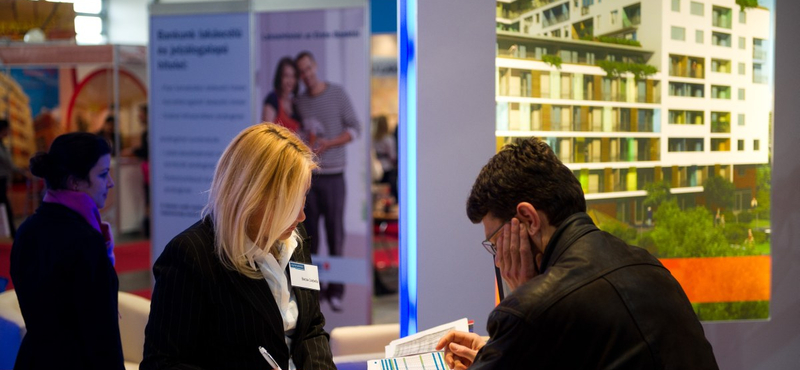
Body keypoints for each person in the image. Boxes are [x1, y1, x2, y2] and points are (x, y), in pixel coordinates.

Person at [436, 137, 719, 370]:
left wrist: (525, 300)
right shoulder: (650, 267)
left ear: (528, 219)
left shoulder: (532, 308)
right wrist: (499, 351)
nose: (498, 259)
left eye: (496, 242)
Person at [142, 124, 336, 370]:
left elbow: (311, 328)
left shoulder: (294, 239)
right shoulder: (191, 255)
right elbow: (161, 364)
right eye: (290, 203)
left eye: (304, 197)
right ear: (252, 197)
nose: (300, 216)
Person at [10, 132, 122, 369]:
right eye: (103, 174)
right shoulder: (86, 240)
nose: (110, 182)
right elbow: (101, 336)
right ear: (75, 182)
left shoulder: (27, 230)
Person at [294, 50, 361, 312]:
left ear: (316, 66)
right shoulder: (299, 102)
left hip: (334, 177)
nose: (306, 74)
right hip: (308, 179)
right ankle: (313, 294)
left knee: (335, 235)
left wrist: (329, 143)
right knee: (307, 239)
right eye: (301, 71)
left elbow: (356, 128)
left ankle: (337, 291)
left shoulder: (337, 93)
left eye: (308, 68)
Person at [0, 119, 26, 238]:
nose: (9, 132)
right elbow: (8, 163)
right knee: (5, 206)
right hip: (0, 180)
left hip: (3, 180)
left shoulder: (2, 145)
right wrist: (22, 171)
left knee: (4, 206)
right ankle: (11, 232)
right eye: (7, 130)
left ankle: (9, 232)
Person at [263, 57, 303, 133]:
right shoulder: (272, 99)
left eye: (293, 76)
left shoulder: (295, 103)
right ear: (279, 77)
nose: (290, 81)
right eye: (286, 76)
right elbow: (267, 132)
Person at [373, 115, 397, 200]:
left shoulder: (374, 139)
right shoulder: (388, 139)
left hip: (376, 167)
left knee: (379, 192)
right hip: (387, 167)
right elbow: (392, 156)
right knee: (388, 192)